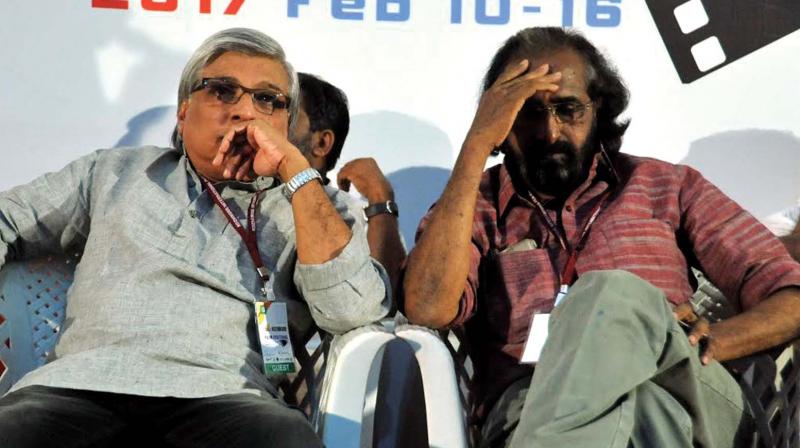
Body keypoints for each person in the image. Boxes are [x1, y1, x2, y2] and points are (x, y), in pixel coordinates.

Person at [402, 27, 800, 447]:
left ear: (599, 111)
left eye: (568, 109)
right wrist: (476, 144)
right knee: (642, 408)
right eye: (527, 113)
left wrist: (716, 340)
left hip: (684, 391)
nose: (549, 132)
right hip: (533, 401)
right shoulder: (474, 205)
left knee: (608, 295)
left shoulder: (665, 185)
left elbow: (789, 294)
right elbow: (427, 307)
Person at [0, 28, 389, 447]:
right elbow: (8, 218)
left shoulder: (313, 201)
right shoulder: (112, 172)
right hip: (80, 386)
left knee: (286, 439)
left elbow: (351, 310)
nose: (245, 111)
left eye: (267, 100)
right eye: (223, 91)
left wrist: (294, 170)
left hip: (226, 397)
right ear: (184, 112)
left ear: (285, 122)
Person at [290, 72, 406, 295]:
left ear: (322, 143)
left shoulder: (352, 216)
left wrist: (381, 201)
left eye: (287, 113)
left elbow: (381, 302)